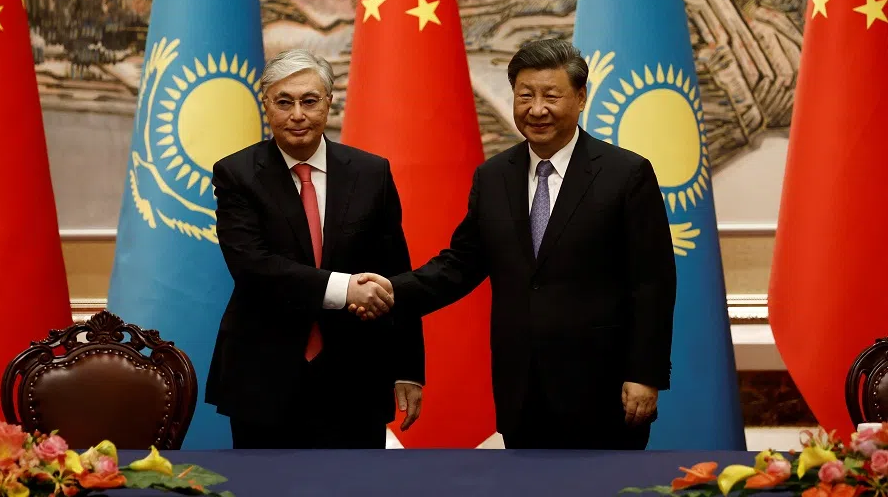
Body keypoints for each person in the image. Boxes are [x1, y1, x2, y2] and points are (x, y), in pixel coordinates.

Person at [353, 39, 676, 449]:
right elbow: (459, 265)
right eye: (525, 96)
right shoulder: (493, 177)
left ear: (581, 98)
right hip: (521, 391)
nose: (536, 109)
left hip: (604, 390)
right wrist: (389, 291)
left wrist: (645, 373)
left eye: (551, 96)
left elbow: (652, 283)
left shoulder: (626, 174)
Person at [205, 49, 425, 449]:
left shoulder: (371, 172)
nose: (297, 115)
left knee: (355, 482)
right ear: (266, 105)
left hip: (356, 375)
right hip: (264, 374)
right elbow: (252, 266)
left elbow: (396, 273)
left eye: (309, 101)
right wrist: (345, 289)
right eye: (283, 102)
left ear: (329, 102)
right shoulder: (236, 174)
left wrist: (408, 369)